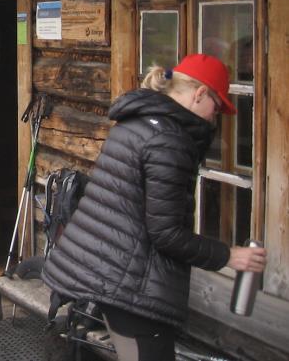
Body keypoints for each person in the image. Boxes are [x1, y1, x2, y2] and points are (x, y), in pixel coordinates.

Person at [42, 53, 267, 360]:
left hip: (113, 275)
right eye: (217, 107)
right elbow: (166, 233)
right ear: (201, 93)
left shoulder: (137, 121)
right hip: (132, 287)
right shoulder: (169, 140)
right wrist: (230, 256)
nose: (215, 118)